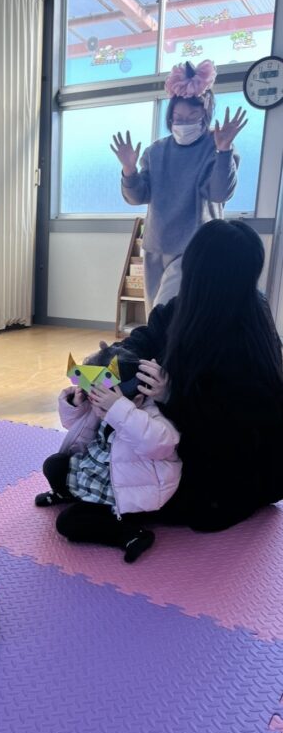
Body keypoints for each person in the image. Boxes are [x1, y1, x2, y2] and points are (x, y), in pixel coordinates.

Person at [115, 218, 283, 532]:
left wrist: (171, 396)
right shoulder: (185, 307)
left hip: (233, 470)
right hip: (188, 447)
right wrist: (110, 364)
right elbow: (145, 337)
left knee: (119, 494)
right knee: (69, 470)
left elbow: (232, 433)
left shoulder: (247, 337)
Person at [110, 59, 247, 312]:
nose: (184, 123)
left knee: (171, 315)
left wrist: (224, 150)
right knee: (156, 316)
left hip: (195, 248)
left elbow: (220, 193)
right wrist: (129, 169)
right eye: (178, 118)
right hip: (156, 246)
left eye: (192, 117)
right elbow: (137, 196)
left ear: (205, 115)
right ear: (170, 118)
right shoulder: (156, 151)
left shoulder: (216, 147)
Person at [35, 346, 181, 562]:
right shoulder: (99, 404)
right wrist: (75, 404)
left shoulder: (148, 418)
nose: (97, 411)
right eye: (93, 401)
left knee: (67, 523)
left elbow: (160, 444)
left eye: (103, 407)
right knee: (54, 464)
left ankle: (131, 534)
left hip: (127, 495)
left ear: (137, 401)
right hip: (98, 473)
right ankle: (67, 494)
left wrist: (119, 411)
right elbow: (72, 425)